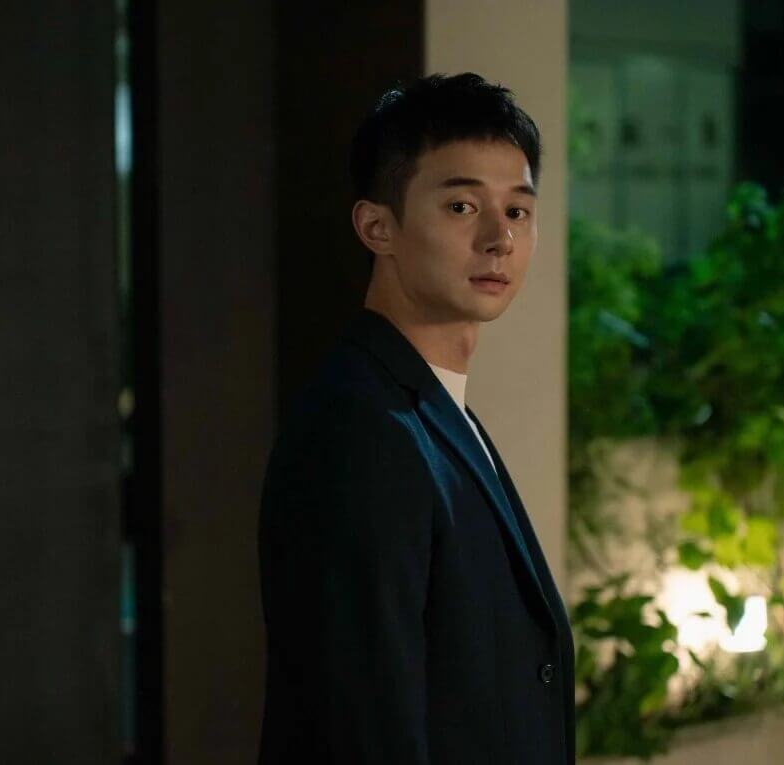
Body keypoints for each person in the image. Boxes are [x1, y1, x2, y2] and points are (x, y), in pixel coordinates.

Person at [257, 72, 575, 764]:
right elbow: (359, 726)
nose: (498, 238)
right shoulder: (361, 430)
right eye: (462, 206)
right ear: (378, 227)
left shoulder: (433, 409)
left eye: (517, 211)